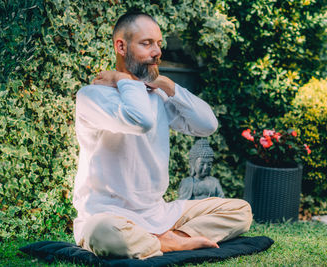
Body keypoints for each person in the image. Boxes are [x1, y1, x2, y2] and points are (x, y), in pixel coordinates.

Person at [72, 11, 252, 259]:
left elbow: (208, 125)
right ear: (121, 46)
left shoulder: (157, 95)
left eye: (159, 44)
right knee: (104, 233)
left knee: (241, 211)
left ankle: (167, 240)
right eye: (147, 44)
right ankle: (167, 241)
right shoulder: (92, 96)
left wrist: (167, 84)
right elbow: (140, 121)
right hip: (108, 214)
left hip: (159, 214)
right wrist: (125, 79)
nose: (157, 52)